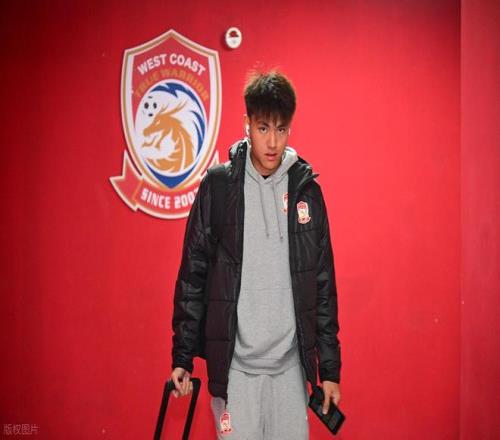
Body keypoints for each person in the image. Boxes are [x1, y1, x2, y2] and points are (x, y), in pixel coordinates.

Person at [170, 71, 342, 439]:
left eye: (281, 129)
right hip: (235, 372)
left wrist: (329, 370)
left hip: (290, 372)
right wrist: (183, 356)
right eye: (263, 128)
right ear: (246, 123)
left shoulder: (307, 192)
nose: (272, 141)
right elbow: (193, 274)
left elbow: (323, 284)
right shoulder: (218, 187)